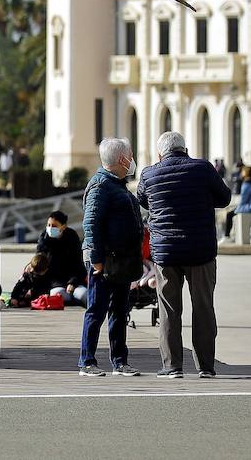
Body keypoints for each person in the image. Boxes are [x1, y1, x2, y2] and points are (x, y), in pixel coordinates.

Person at [138, 130, 232, 379]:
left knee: (169, 309)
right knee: (203, 307)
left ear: (160, 154)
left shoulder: (149, 173)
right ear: (185, 149)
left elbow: (143, 200)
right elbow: (224, 198)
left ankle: (172, 367)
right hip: (200, 251)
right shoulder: (203, 169)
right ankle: (206, 367)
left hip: (166, 253)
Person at [78, 137, 144, 378]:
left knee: (119, 310)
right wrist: (95, 258)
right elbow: (91, 223)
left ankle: (120, 361)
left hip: (122, 261)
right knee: (96, 310)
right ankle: (87, 361)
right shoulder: (100, 186)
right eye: (130, 156)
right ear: (122, 160)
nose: (132, 160)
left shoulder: (117, 184)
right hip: (105, 261)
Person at [35, 210, 87, 303]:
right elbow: (39, 261)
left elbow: (79, 265)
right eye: (49, 225)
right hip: (55, 284)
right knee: (58, 295)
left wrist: (73, 282)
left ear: (63, 226)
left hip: (74, 282)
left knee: (84, 295)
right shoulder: (44, 239)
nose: (50, 228)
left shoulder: (72, 238)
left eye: (54, 226)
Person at [222, 166, 251, 240]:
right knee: (236, 211)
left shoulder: (247, 184)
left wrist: (236, 210)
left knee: (230, 214)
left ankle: (227, 236)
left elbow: (243, 201)